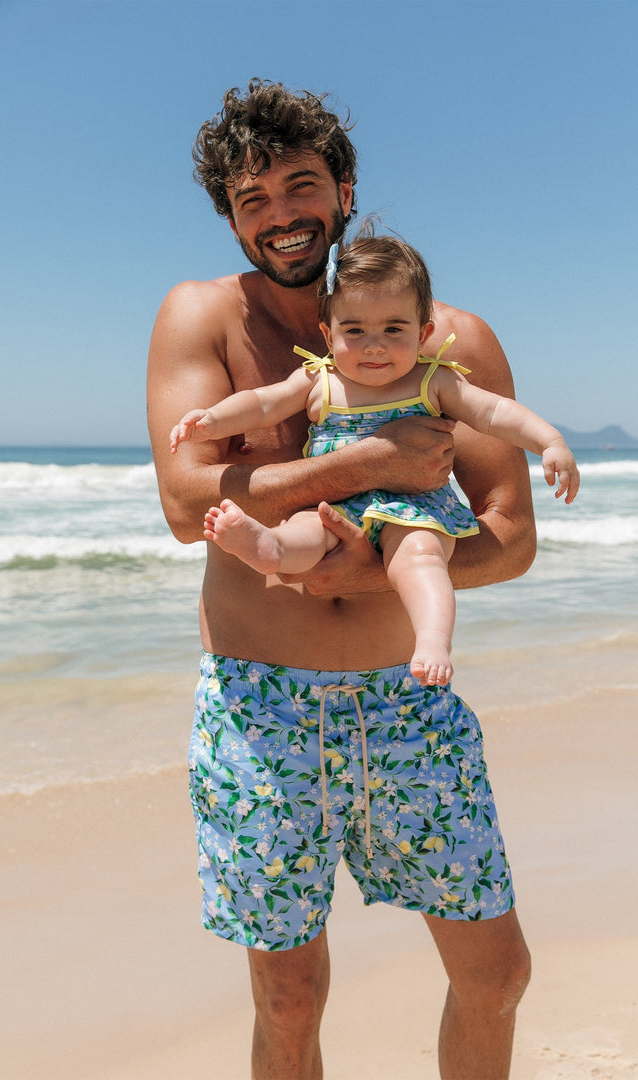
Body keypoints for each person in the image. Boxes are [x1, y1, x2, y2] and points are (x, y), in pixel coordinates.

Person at [147, 78, 536, 1080]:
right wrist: (368, 464)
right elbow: (190, 509)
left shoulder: (452, 342)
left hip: (410, 703)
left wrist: (373, 581)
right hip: (259, 706)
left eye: (299, 186)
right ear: (231, 219)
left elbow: (509, 536)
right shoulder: (202, 318)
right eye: (253, 200)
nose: (280, 216)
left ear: (345, 189)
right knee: (289, 996)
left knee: (495, 976)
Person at [169, 232, 579, 688]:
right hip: (335, 506)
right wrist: (211, 420)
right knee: (305, 530)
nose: (374, 346)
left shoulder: (434, 381)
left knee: (421, 557)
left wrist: (550, 441)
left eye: (393, 330)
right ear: (329, 334)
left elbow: (495, 412)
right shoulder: (319, 378)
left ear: (424, 333)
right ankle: (270, 549)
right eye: (355, 331)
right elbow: (262, 404)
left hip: (415, 510)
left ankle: (432, 640)